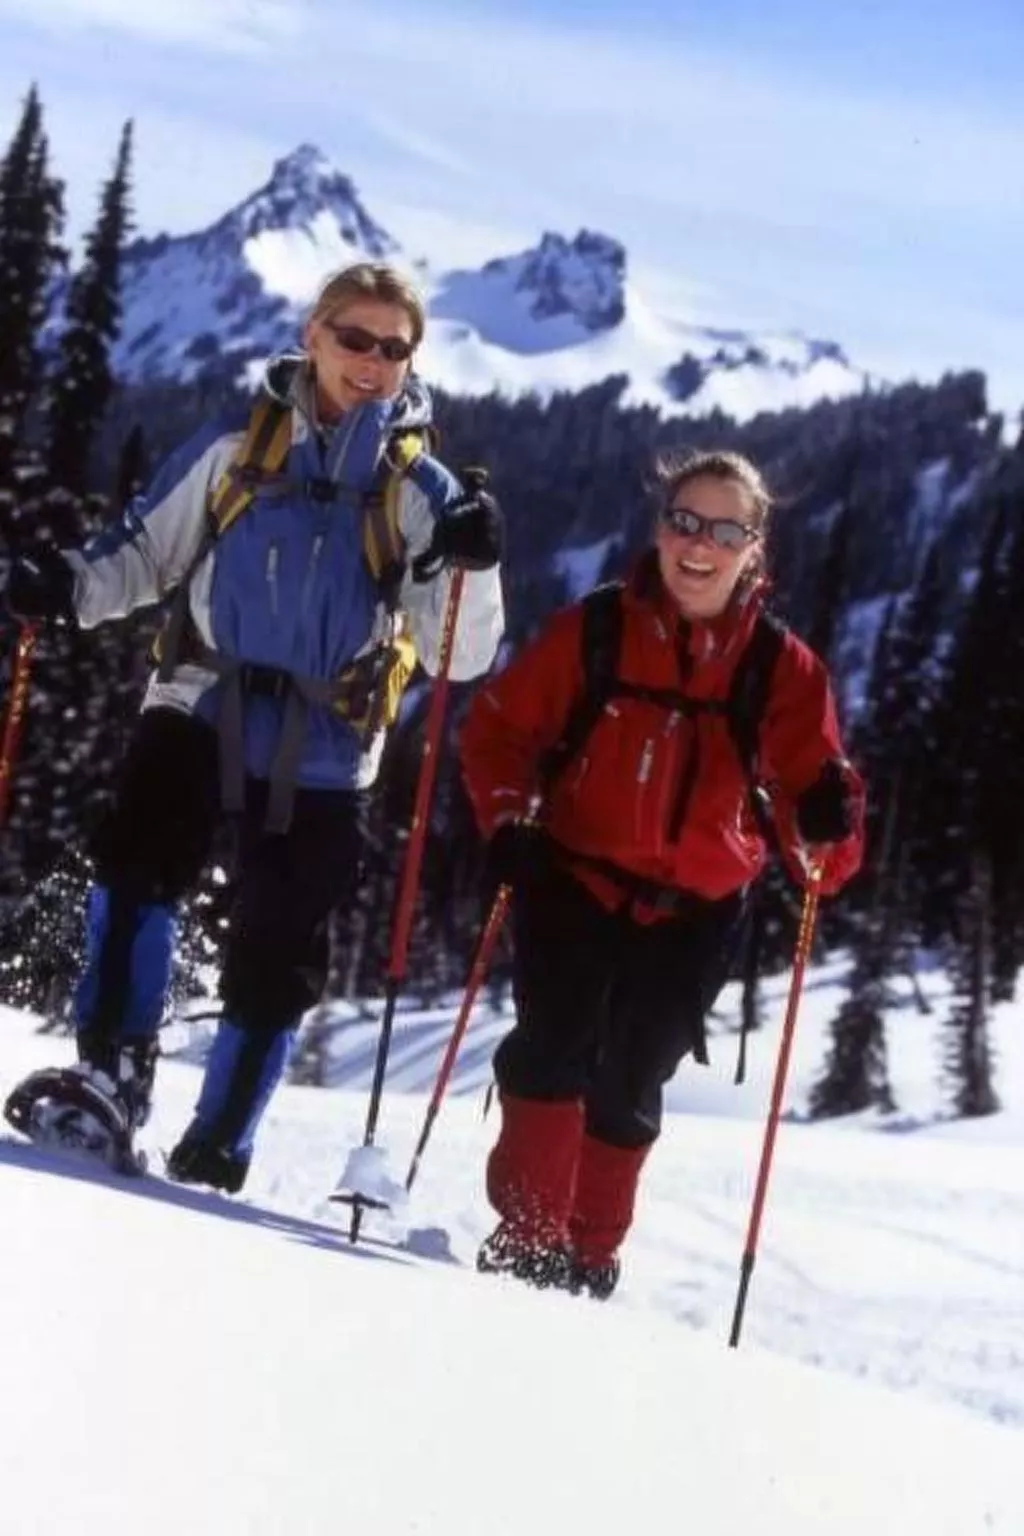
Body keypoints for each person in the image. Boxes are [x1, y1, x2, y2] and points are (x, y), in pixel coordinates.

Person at [2, 261, 504, 1190]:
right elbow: (146, 554)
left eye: (395, 348)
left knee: (279, 945)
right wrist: (64, 589)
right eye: (355, 337)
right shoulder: (237, 449)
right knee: (136, 864)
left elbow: (458, 653)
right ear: (311, 334)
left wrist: (474, 561)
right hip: (198, 695)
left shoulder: (420, 491)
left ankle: (220, 1139)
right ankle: (111, 1073)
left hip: (330, 742)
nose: (373, 361)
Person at [458, 448, 863, 1298]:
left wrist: (828, 821)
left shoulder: (782, 671)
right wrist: (507, 819)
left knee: (632, 1078)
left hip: (697, 906)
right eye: (685, 521)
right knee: (549, 1048)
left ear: (755, 547)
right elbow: (496, 733)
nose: (698, 544)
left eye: (724, 529)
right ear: (659, 526)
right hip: (571, 872)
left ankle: (590, 1255)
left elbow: (820, 837)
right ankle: (527, 1239)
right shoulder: (598, 628)